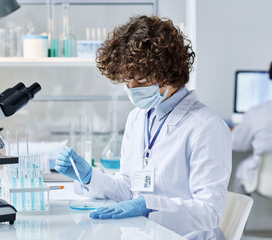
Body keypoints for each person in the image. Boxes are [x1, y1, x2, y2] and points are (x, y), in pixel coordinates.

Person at [56, 15, 231, 240]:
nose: (132, 90)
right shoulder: (138, 118)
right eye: (127, 82)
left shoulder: (206, 127)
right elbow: (129, 189)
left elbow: (210, 213)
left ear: (168, 72)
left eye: (139, 81)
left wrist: (148, 205)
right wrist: (89, 177)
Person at [232, 53, 272, 240]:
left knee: (240, 171)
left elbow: (238, 144)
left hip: (263, 181)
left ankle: (238, 230)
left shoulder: (256, 113)